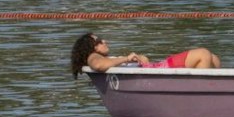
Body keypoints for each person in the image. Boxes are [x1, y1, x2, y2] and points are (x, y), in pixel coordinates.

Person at [69, 32, 220, 75]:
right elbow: (99, 65)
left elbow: (145, 60)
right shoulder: (93, 57)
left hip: (159, 68)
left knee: (213, 58)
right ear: (93, 48)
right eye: (99, 41)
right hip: (163, 69)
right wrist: (126, 58)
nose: (104, 41)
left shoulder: (108, 58)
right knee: (203, 53)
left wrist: (138, 58)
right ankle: (203, 94)